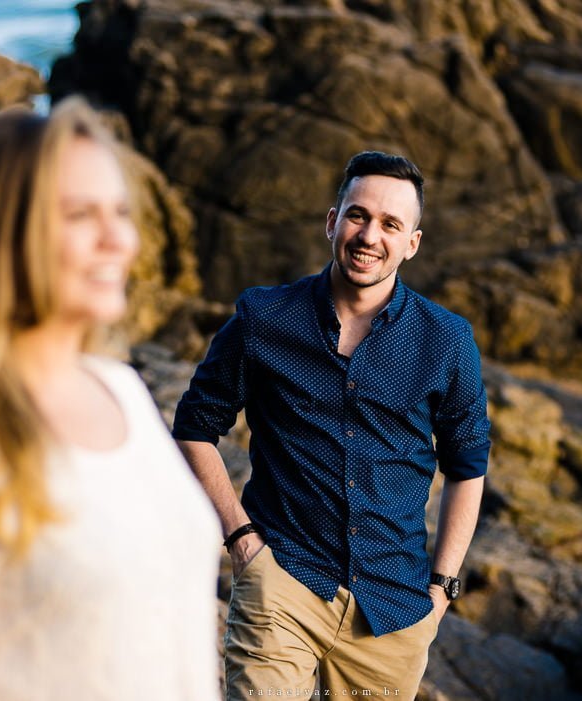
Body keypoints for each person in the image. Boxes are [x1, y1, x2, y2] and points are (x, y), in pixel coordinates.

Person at [0, 96, 221, 701]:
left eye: (121, 212)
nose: (118, 241)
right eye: (81, 215)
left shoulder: (125, 392)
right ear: (0, 237)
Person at [172, 151, 491, 698]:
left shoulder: (447, 341)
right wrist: (242, 539)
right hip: (283, 583)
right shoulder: (264, 318)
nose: (370, 236)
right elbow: (193, 427)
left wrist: (440, 590)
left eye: (391, 224)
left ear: (412, 243)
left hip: (393, 608)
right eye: (358, 215)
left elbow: (467, 467)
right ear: (332, 221)